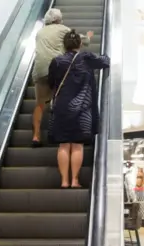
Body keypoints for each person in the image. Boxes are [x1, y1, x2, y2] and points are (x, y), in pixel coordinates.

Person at [48, 30, 110, 188]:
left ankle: (64, 181)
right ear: (80, 44)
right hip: (83, 109)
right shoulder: (86, 58)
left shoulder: (56, 61)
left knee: (63, 145)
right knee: (77, 145)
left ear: (64, 45)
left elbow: (51, 83)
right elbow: (105, 61)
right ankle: (75, 180)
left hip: (62, 106)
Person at [31, 8, 93, 147]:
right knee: (65, 100)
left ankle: (36, 136)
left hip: (40, 70)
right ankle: (64, 134)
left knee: (40, 104)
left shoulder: (39, 33)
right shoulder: (63, 29)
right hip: (58, 68)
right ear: (59, 19)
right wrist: (88, 36)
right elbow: (81, 41)